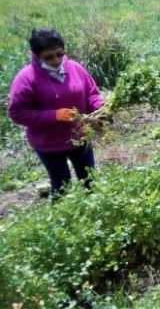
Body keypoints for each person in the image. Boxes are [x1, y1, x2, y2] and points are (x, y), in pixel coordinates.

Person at [8, 28, 104, 195]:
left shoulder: (75, 68)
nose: (56, 60)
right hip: (49, 144)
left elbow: (92, 93)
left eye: (60, 54)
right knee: (61, 186)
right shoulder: (26, 79)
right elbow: (17, 113)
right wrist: (53, 115)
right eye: (49, 57)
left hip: (80, 137)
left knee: (90, 181)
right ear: (35, 55)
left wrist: (100, 108)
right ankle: (64, 218)